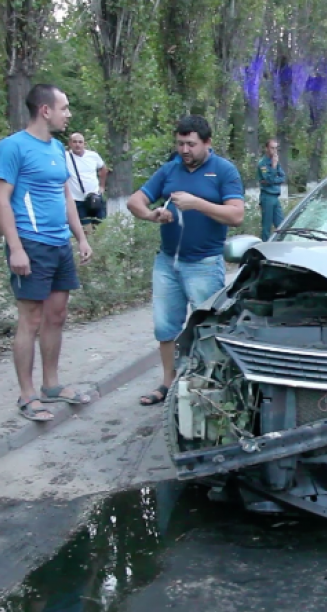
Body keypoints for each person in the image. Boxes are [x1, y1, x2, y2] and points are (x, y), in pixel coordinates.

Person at [0, 84, 94, 422]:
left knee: (57, 315)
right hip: (31, 244)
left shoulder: (57, 149)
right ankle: (27, 395)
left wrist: (80, 237)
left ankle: (52, 385)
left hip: (59, 243)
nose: (68, 114)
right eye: (63, 107)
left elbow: (66, 197)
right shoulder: (12, 147)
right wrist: (16, 249)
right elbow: (1, 199)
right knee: (31, 319)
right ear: (45, 110)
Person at [127, 115, 245, 406]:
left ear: (207, 142)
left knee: (207, 329)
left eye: (190, 144)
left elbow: (236, 215)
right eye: (180, 143)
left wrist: (197, 204)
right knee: (165, 327)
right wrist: (151, 214)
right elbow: (134, 201)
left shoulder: (223, 171)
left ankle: (209, 386)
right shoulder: (169, 170)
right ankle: (167, 384)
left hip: (204, 264)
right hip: (167, 264)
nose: (184, 150)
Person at [65, 132, 108, 233]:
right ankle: (89, 247)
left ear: (85, 144)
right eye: (74, 142)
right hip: (77, 199)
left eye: (80, 142)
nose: (77, 144)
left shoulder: (93, 156)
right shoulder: (65, 157)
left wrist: (102, 186)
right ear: (70, 143)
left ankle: (99, 247)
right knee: (86, 230)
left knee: (100, 228)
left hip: (95, 197)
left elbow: (103, 169)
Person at [257, 138, 286, 241]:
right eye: (272, 148)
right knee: (266, 227)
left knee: (282, 225)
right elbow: (268, 179)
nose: (274, 151)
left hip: (275, 196)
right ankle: (264, 249)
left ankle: (282, 247)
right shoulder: (262, 163)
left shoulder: (275, 161)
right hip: (267, 197)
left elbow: (283, 177)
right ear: (267, 148)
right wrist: (273, 167)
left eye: (276, 148)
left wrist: (272, 180)